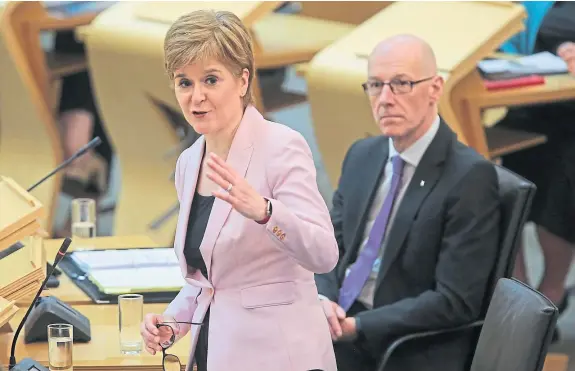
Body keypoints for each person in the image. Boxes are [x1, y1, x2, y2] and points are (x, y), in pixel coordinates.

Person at [139, 9, 338, 371]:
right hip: (216, 352)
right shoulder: (189, 162)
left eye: (211, 80)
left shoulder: (281, 146)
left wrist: (265, 211)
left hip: (280, 357)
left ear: (243, 81)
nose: (196, 96)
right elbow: (211, 282)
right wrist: (171, 322)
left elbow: (323, 254)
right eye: (185, 83)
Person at [315, 34, 501, 371]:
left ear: (435, 89)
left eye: (401, 83)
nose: (385, 99)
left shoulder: (470, 177)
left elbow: (455, 300)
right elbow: (330, 246)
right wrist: (323, 299)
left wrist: (357, 328)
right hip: (337, 318)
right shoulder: (362, 154)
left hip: (400, 341)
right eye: (375, 85)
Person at [497, 1, 575, 333]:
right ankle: (520, 292)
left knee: (561, 186)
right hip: (517, 100)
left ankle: (551, 292)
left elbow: (558, 26)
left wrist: (564, 43)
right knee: (498, 186)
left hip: (568, 115)